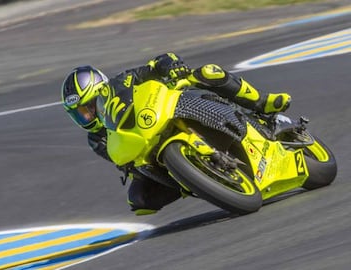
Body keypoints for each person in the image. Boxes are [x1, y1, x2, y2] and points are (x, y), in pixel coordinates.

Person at [61, 53, 291, 215]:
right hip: (147, 153)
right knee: (139, 200)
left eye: (90, 107)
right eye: (80, 114)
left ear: (102, 91)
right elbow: (122, 164)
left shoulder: (123, 81)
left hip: (172, 107)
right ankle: (196, 180)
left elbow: (157, 63)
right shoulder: (96, 140)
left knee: (207, 72)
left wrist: (169, 65)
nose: (88, 116)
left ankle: (261, 102)